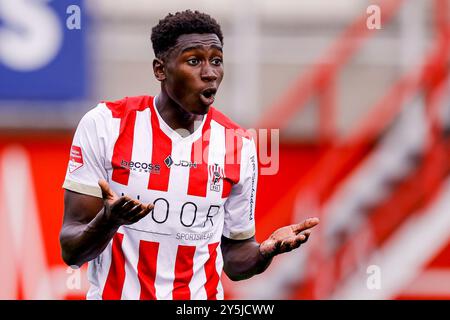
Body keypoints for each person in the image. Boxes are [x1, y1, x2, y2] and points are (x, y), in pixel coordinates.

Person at [59, 10, 319, 300]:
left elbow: (235, 260)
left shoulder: (237, 144)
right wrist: (108, 220)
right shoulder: (106, 124)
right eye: (194, 60)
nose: (209, 73)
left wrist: (264, 252)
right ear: (160, 69)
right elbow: (71, 252)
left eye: (216, 61)